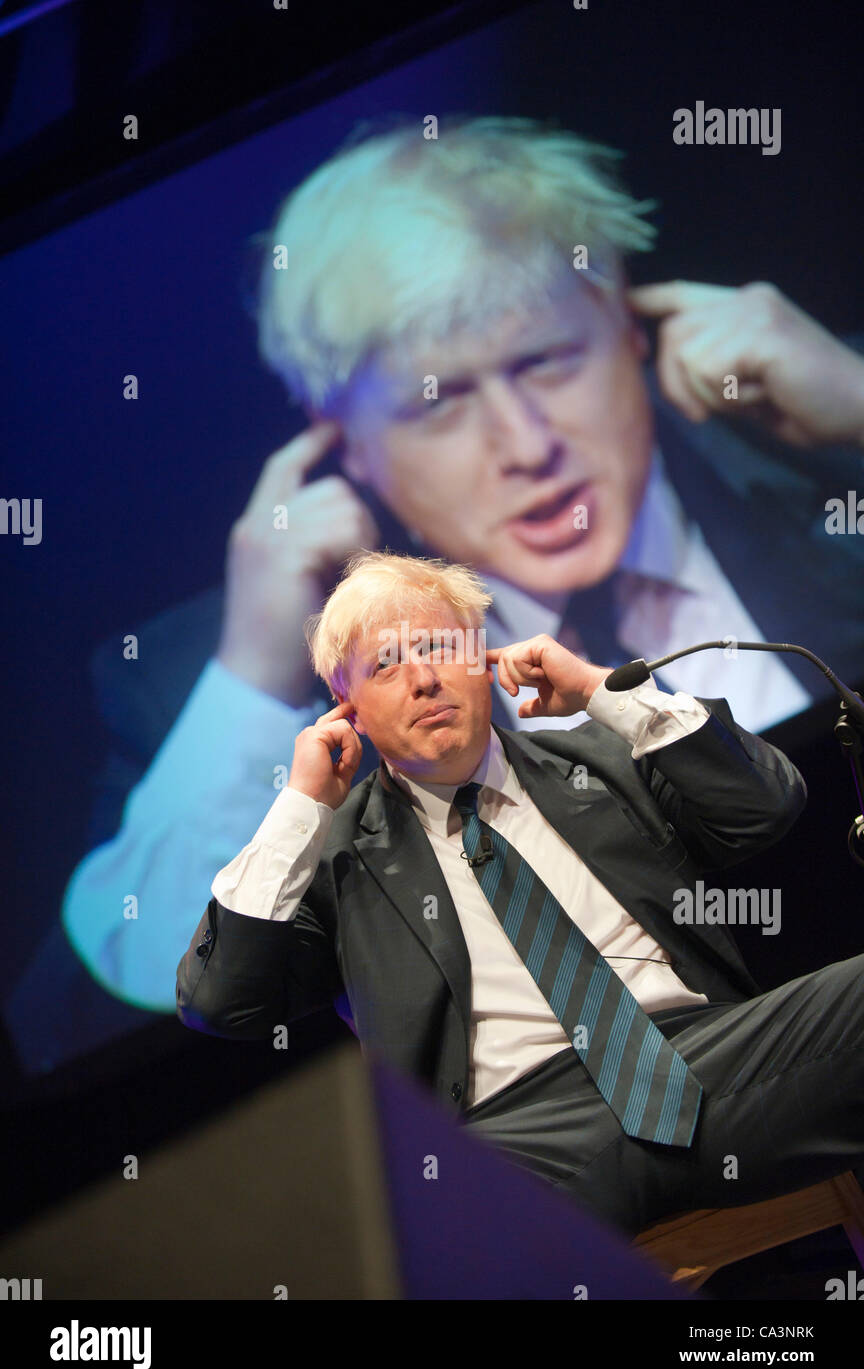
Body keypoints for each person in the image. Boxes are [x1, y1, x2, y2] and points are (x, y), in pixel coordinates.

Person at [55, 116, 864, 1027]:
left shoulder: (829, 453)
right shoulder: (211, 675)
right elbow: (108, 1016)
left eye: (548, 360)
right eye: (438, 404)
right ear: (343, 444)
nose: (528, 446)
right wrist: (251, 677)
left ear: (631, 324)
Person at [177, 551, 864, 1238]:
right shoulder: (337, 861)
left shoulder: (604, 757)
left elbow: (763, 805)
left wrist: (603, 692)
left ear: (483, 661)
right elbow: (221, 1001)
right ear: (347, 710)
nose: (423, 679)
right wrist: (301, 805)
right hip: (518, 1140)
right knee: (392, 1222)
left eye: (443, 647)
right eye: (387, 665)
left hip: (707, 1063)